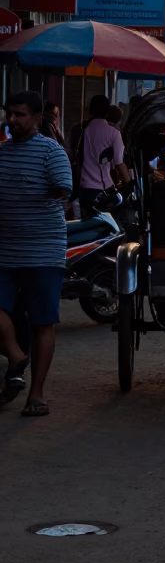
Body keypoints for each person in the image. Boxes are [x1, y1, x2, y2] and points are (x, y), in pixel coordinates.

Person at [0, 90, 73, 417]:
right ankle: (16, 356)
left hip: (43, 249)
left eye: (20, 115)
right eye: (9, 114)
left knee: (43, 321)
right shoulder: (1, 153)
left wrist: (42, 188)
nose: (12, 121)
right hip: (4, 249)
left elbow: (62, 187)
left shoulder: (51, 151)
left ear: (37, 118)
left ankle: (37, 394)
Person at [77, 95, 130, 214]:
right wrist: (128, 181)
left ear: (90, 110)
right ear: (107, 112)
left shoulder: (82, 130)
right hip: (103, 191)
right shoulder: (114, 133)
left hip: (84, 190)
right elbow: (119, 163)